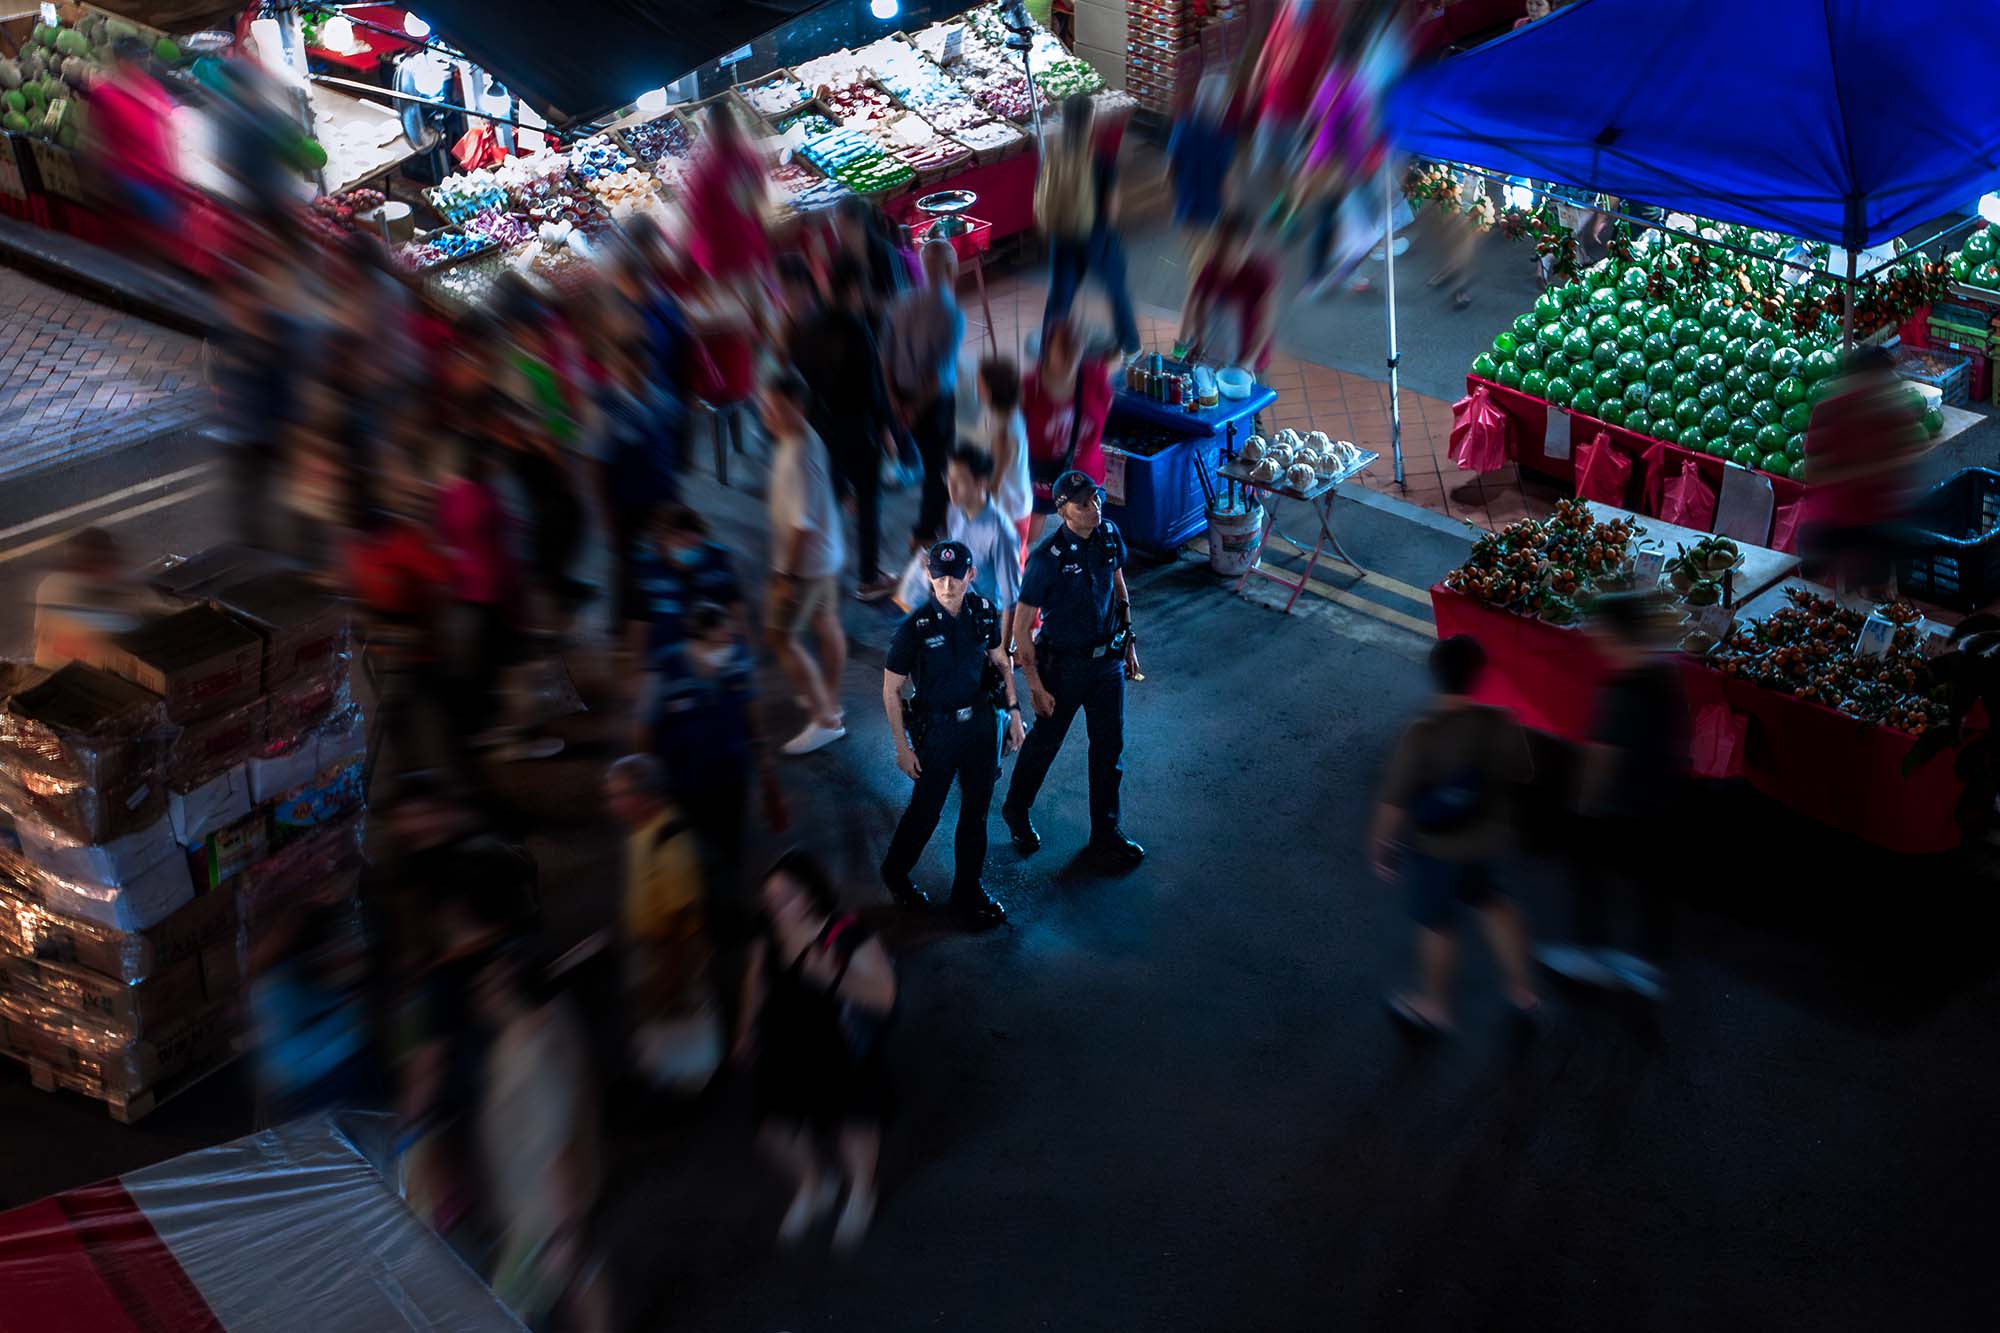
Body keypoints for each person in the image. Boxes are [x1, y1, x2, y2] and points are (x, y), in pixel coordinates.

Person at [1370, 635, 1539, 1035]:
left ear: (1435, 675)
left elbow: (1393, 802)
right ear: (1479, 676)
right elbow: (1524, 774)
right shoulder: (1501, 722)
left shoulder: (1423, 733)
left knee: (1438, 924)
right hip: (1487, 840)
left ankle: (1434, 1006)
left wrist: (1381, 848)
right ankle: (1523, 993)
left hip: (1438, 847)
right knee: (1495, 905)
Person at [736, 850, 897, 1251]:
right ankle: (814, 1182)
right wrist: (745, 1030)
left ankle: (861, 1191)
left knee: (851, 1124)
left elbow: (883, 997)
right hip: (784, 1047)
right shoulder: (768, 933)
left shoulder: (846, 935)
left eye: (786, 896)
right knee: (775, 1129)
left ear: (810, 894)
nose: (777, 907)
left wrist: (835, 979)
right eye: (770, 899)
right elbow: (755, 980)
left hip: (838, 1048)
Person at [1537, 595, 1685, 1001]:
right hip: (1659, 799)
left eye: (1600, 630)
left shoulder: (1621, 691)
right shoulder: (1664, 674)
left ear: (1618, 635)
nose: (1594, 637)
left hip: (1621, 805)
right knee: (1649, 884)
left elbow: (1604, 757)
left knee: (1586, 871)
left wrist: (1584, 805)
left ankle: (1590, 951)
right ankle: (1646, 964)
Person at [1000, 470, 1146, 872]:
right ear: (1063, 510)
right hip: (1060, 667)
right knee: (1045, 746)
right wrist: (1033, 685)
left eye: (1096, 499)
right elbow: (1021, 628)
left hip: (1106, 665)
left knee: (1109, 750)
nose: (1094, 507)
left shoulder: (1109, 535)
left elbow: (1118, 584)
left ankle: (1105, 833)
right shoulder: (1046, 560)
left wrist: (1128, 637)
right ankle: (1016, 809)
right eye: (1084, 503)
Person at [880, 540, 1025, 927]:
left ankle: (968, 890)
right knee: (925, 812)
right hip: (939, 732)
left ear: (970, 575)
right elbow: (891, 689)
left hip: (979, 726)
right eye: (940, 576)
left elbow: (1000, 662)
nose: (948, 584)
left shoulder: (982, 613)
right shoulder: (914, 628)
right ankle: (895, 873)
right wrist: (901, 747)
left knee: (975, 814)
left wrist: (1012, 712)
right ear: (928, 575)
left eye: (956, 575)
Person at [471, 944, 612, 1328]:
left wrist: (563, 1227)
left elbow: (555, 1142)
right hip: (537, 1204)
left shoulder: (531, 1054)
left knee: (506, 1306)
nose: (481, 995)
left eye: (489, 986)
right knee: (581, 1276)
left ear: (510, 992)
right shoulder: (537, 1028)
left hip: (541, 1211)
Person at [605, 754, 722, 1093]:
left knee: (682, 1014)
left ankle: (690, 1086)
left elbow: (679, 916)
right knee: (662, 1017)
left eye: (617, 795)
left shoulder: (670, 841)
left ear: (645, 796)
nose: (611, 804)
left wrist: (668, 971)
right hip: (654, 948)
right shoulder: (641, 831)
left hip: (674, 953)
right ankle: (666, 1075)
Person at [795, 257, 900, 601]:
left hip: (821, 428)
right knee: (870, 501)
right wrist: (886, 431)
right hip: (856, 429)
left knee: (836, 490)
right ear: (854, 288)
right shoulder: (857, 330)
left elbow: (802, 375)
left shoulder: (811, 326)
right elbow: (873, 390)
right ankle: (869, 578)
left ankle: (831, 550)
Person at [762, 369, 850, 756]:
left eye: (776, 407)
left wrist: (785, 576)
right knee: (825, 621)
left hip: (804, 566)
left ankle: (826, 718)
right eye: (767, 406)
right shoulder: (802, 436)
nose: (769, 413)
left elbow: (801, 526)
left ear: (797, 406)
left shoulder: (798, 451)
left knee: (779, 636)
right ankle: (829, 700)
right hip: (826, 557)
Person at [1037, 95, 1141, 358]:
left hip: (1062, 235)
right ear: (1090, 121)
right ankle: (1130, 345)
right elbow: (1111, 208)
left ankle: (1049, 348)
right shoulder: (1101, 160)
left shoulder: (1053, 156)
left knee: (1060, 295)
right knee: (1116, 288)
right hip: (1096, 238)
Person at [884, 239, 967, 547]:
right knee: (938, 468)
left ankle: (938, 522)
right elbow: (936, 377)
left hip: (902, 395)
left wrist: (895, 400)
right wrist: (916, 409)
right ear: (951, 268)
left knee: (929, 462)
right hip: (932, 404)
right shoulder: (951, 313)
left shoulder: (901, 301)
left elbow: (885, 355)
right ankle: (924, 532)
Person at [1023, 319, 1117, 506]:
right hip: (1044, 481)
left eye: (1075, 346)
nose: (1069, 354)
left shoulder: (1095, 378)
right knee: (1032, 530)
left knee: (1086, 529)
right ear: (1047, 351)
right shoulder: (1030, 387)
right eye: (1063, 347)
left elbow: (1104, 410)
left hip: (1087, 478)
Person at [938, 446, 1025, 642]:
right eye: (948, 479)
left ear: (981, 483)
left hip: (981, 617)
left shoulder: (1001, 533)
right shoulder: (954, 509)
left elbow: (1011, 599)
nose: (950, 487)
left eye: (959, 481)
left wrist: (1002, 650)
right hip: (956, 598)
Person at [1178, 213, 1281, 374]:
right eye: (1220, 253)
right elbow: (1198, 303)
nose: (1223, 262)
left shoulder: (1262, 274)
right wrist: (1198, 340)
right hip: (1219, 352)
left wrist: (1248, 361)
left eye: (1229, 254)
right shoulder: (1212, 266)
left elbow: (1265, 325)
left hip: (1250, 360)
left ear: (1245, 245)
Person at [976, 357, 1036, 560]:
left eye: (980, 383)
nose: (977, 387)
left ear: (992, 390)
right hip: (1018, 501)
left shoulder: (1003, 428)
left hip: (1010, 507)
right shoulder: (1009, 414)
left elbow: (998, 475)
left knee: (1009, 559)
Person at [1166, 74, 1237, 237]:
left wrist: (1172, 199)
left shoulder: (1182, 127)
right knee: (1205, 243)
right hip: (1211, 207)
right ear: (1221, 105)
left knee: (1190, 241)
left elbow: (1170, 167)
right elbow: (1227, 181)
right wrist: (1228, 208)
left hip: (1185, 203)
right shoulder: (1225, 137)